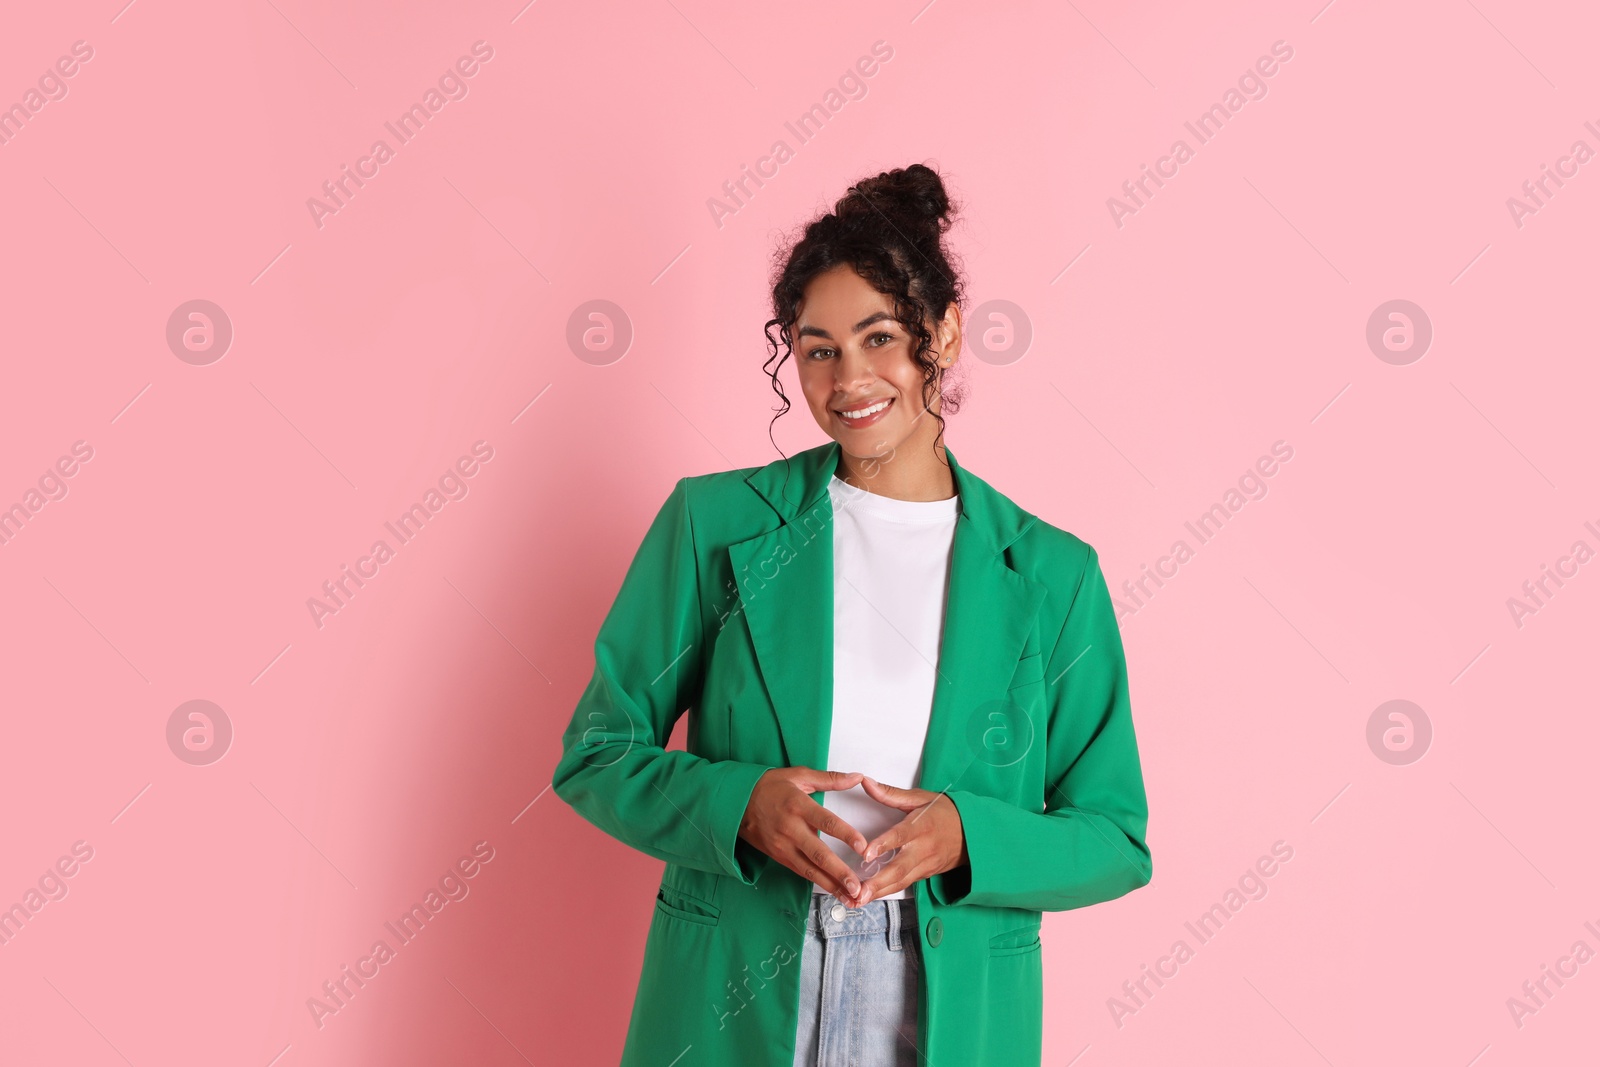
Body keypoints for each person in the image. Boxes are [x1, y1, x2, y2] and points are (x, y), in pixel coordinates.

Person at [551, 163, 1152, 1066]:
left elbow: (1114, 837)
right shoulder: (715, 525)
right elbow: (597, 753)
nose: (848, 378)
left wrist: (966, 834)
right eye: (819, 346)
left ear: (942, 335)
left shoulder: (1054, 575)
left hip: (946, 997)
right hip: (735, 984)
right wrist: (740, 803)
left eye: (879, 338)